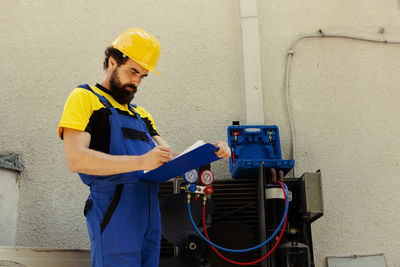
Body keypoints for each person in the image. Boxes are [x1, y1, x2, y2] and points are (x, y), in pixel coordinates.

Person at [58, 28, 231, 267]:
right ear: (112, 62)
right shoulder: (84, 98)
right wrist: (141, 162)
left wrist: (209, 151)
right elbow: (75, 159)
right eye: (133, 71)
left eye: (143, 76)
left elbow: (166, 157)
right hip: (113, 210)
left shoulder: (141, 114)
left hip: (149, 213)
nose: (136, 81)